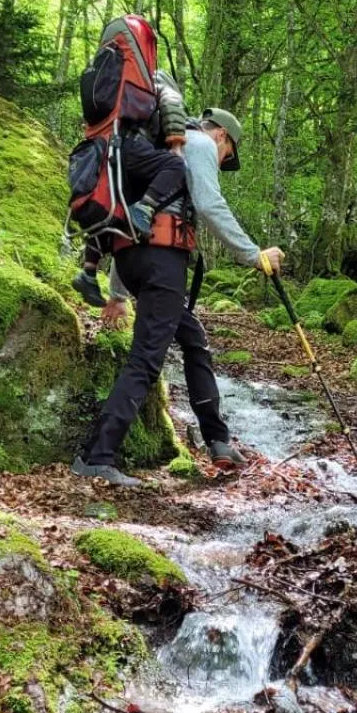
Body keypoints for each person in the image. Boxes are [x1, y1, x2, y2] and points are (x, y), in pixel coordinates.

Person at [72, 107, 284, 487]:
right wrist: (253, 255)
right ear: (221, 136)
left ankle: (217, 441)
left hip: (134, 260)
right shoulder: (199, 142)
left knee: (193, 339)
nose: (222, 161)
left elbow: (132, 222)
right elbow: (208, 204)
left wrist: (118, 293)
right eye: (228, 155)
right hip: (162, 261)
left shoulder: (151, 150)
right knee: (146, 361)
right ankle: (96, 455)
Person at [72, 66, 190, 308]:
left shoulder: (115, 84)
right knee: (176, 167)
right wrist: (176, 144)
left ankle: (88, 273)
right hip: (133, 145)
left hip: (107, 148)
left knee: (110, 210)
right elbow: (171, 102)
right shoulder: (157, 78)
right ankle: (145, 208)